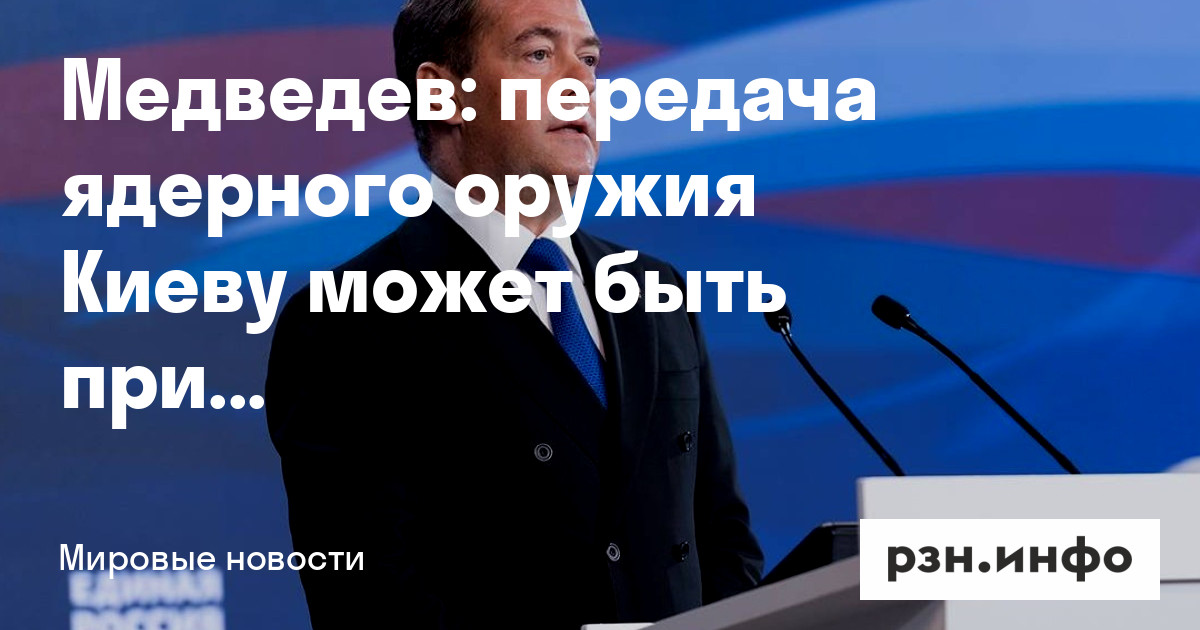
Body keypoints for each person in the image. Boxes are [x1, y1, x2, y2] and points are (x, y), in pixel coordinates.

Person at [264, 0, 764, 627]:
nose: (581, 83)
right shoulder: (347, 317)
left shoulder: (653, 291)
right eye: (538, 54)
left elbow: (723, 539)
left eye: (589, 59)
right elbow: (370, 598)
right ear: (444, 94)